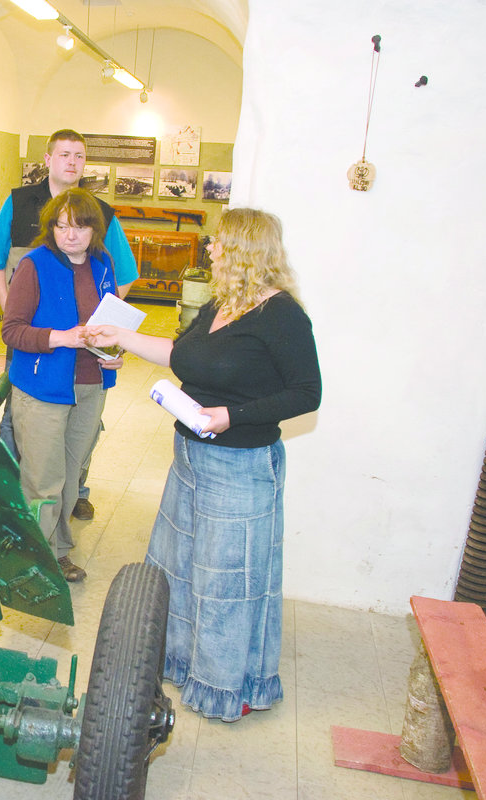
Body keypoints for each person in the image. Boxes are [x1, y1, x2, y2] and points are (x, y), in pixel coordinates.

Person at [85, 207, 321, 721]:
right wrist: (119, 337)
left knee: (226, 581)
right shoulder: (221, 303)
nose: (209, 249)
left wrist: (231, 416)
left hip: (240, 467)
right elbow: (180, 354)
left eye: (219, 243)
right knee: (179, 567)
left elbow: (307, 393)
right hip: (191, 459)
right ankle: (182, 661)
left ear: (243, 250)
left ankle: (225, 685)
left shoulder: (281, 315)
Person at [0, 129, 136, 520]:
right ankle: (15, 497)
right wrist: (15, 307)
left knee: (80, 427)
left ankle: (74, 492)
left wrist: (103, 326)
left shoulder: (100, 213)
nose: (72, 162)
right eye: (65, 154)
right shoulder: (17, 204)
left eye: (80, 156)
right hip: (33, 336)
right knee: (24, 418)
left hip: (85, 353)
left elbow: (123, 275)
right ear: (47, 159)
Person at [2, 189, 121, 583]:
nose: (70, 235)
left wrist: (114, 351)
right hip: (42, 389)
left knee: (72, 476)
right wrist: (60, 337)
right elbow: (12, 331)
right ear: (51, 227)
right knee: (43, 480)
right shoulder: (34, 265)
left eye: (80, 226)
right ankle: (36, 559)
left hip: (90, 383)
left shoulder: (103, 263)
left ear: (94, 230)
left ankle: (58, 550)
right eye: (62, 226)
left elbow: (109, 322)